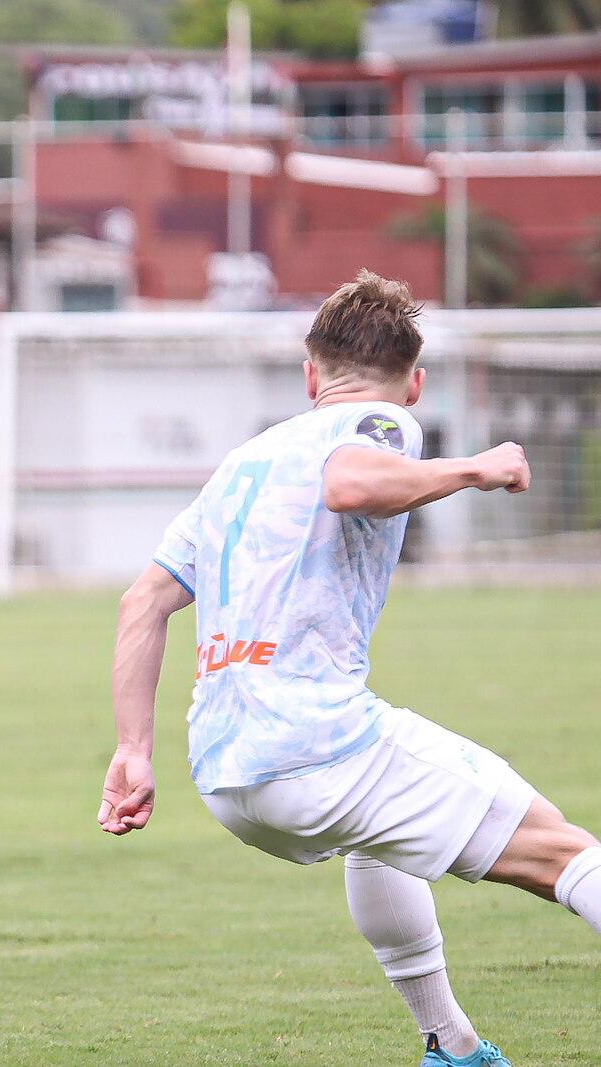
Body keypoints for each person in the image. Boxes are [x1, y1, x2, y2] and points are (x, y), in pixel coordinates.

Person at [97, 269, 601, 1067]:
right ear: (414, 383)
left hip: (227, 774)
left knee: (379, 836)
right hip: (317, 745)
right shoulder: (380, 419)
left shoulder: (242, 463)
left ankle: (453, 1046)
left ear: (310, 376)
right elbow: (351, 482)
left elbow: (142, 602)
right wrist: (476, 467)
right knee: (565, 851)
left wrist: (132, 749)